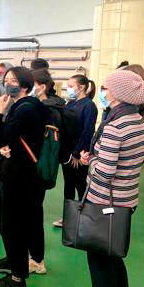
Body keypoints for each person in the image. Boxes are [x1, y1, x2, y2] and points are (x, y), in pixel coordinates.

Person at [77, 69, 144, 287]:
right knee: (114, 257)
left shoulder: (115, 126)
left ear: (119, 93)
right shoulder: (138, 121)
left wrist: (90, 160)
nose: (103, 92)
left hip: (104, 202)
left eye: (106, 88)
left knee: (99, 260)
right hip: (126, 200)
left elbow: (105, 173)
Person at [0, 66, 48, 287]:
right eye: (7, 79)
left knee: (13, 225)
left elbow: (0, 136)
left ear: (25, 85)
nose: (8, 83)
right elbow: (11, 139)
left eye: (13, 80)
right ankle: (15, 259)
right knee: (0, 217)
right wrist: (5, 146)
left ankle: (17, 279)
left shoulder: (25, 108)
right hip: (14, 172)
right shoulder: (24, 105)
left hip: (20, 176)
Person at [26, 68, 66, 275]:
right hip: (35, 169)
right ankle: (31, 254)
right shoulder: (43, 107)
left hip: (37, 170)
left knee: (33, 214)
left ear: (41, 87)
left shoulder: (49, 111)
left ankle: (37, 260)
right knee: (29, 213)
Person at [53, 74, 97, 228]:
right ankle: (68, 217)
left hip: (78, 154)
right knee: (68, 185)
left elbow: (87, 132)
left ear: (82, 87)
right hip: (67, 152)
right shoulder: (70, 103)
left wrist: (78, 154)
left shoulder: (89, 106)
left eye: (71, 86)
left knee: (80, 185)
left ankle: (86, 217)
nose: (68, 88)